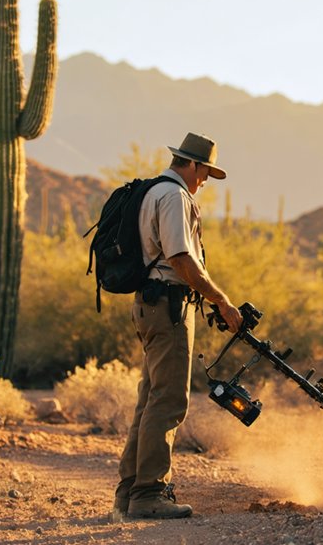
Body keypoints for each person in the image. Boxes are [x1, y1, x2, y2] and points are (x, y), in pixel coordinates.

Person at [114, 132, 243, 519]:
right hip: (167, 307)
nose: (204, 180)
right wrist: (220, 299)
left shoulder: (154, 191)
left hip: (152, 304)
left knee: (150, 400)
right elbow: (180, 258)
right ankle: (149, 495)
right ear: (192, 164)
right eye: (205, 172)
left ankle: (129, 494)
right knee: (169, 401)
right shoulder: (173, 196)